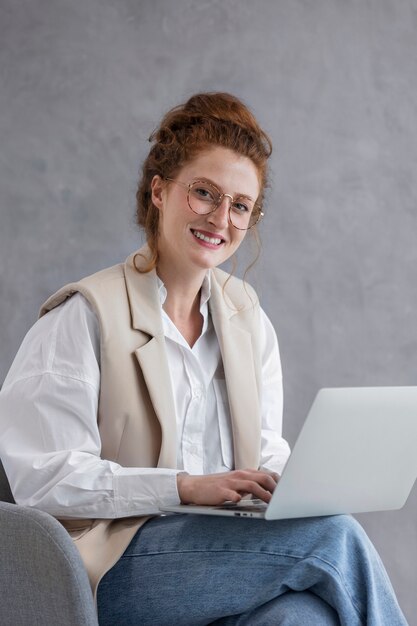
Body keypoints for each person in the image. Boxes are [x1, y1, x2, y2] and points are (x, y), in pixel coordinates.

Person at [0, 92, 408, 626]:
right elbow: (42, 480)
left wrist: (293, 484)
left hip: (225, 559)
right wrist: (180, 486)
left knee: (301, 616)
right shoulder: (83, 316)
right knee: (334, 540)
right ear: (160, 192)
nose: (221, 217)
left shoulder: (248, 320)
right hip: (113, 570)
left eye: (240, 205)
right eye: (204, 193)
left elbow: (265, 450)